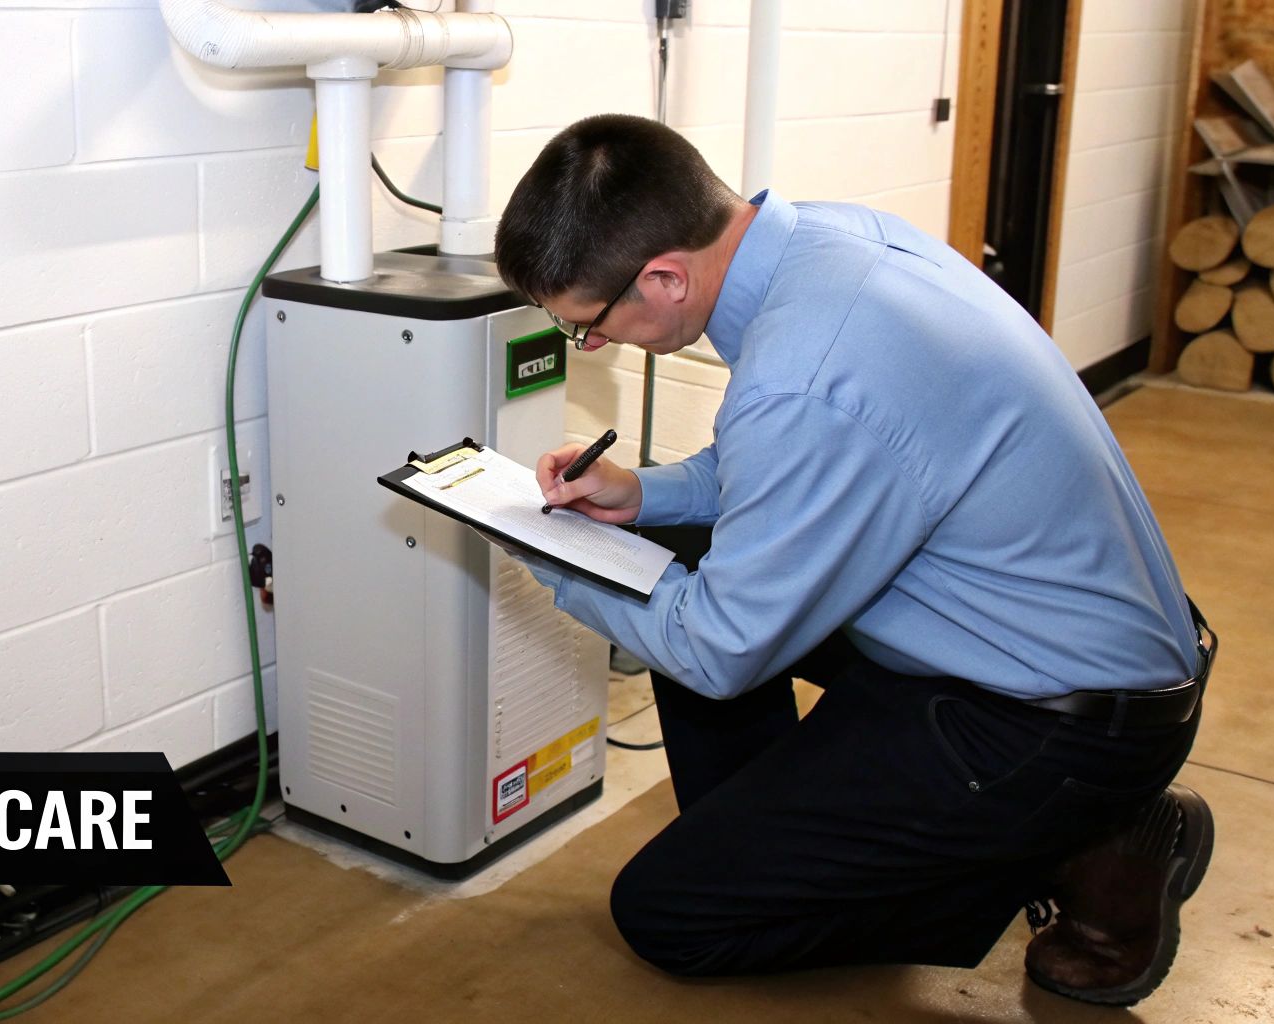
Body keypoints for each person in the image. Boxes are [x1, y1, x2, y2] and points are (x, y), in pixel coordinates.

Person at [492, 113, 1216, 1006]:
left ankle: (1085, 848)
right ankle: (781, 840)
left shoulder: (809, 371)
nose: (593, 346)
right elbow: (784, 466)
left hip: (1058, 724)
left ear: (665, 278)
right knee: (678, 545)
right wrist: (640, 496)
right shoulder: (831, 245)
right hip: (1045, 636)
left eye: (586, 326)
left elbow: (720, 650)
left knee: (670, 914)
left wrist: (555, 555)